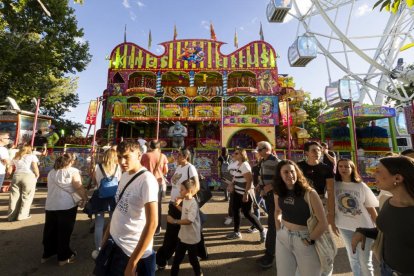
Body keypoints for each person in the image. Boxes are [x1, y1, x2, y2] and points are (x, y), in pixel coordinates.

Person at [95, 141, 158, 275]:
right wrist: (105, 238)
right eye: (118, 157)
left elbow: (152, 224)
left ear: (139, 155)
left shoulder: (147, 181)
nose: (122, 161)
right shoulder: (124, 175)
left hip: (131, 250)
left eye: (126, 157)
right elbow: (118, 209)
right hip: (114, 243)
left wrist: (133, 263)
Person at [352, 156, 414, 276]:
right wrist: (363, 231)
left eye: (378, 171)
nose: (374, 175)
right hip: (386, 268)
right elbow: (390, 231)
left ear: (397, 178)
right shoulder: (387, 201)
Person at [273, 160, 328, 276]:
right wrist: (279, 231)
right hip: (283, 238)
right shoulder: (278, 191)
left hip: (304, 239)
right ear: (280, 175)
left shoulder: (310, 193)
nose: (290, 175)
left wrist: (310, 239)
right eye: (285, 172)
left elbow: (323, 222)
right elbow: (277, 211)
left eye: (292, 171)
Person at [156, 148, 200, 270]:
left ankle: (161, 260)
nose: (176, 156)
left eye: (179, 155)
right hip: (174, 203)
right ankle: (199, 252)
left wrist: (181, 198)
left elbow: (196, 187)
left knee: (172, 233)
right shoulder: (179, 167)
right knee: (180, 231)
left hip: (182, 204)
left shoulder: (190, 168)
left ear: (185, 157)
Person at [42, 153, 88, 266]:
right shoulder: (73, 171)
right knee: (64, 232)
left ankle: (47, 253)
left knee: (50, 230)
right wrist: (85, 198)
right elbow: (78, 187)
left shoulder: (51, 172)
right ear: (70, 162)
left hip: (51, 205)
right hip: (66, 205)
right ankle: (63, 257)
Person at [334, 159, 378, 276]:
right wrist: (332, 223)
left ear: (352, 168)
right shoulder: (334, 185)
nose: (343, 169)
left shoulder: (361, 186)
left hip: (365, 229)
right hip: (345, 227)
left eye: (347, 166)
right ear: (337, 169)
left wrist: (379, 226)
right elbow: (331, 206)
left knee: (365, 262)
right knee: (353, 259)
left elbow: (370, 208)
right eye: (341, 166)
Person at [225, 147, 267, 242]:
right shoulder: (235, 164)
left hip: (244, 192)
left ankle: (262, 230)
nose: (233, 155)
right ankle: (236, 232)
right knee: (236, 211)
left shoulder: (245, 165)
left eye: (236, 153)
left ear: (241, 155)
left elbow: (249, 181)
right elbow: (235, 177)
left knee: (247, 213)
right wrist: (231, 184)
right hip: (236, 192)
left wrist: (246, 193)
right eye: (234, 153)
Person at [297, 142, 337, 233]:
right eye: (314, 150)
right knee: (303, 230)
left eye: (319, 150)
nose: (317, 152)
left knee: (321, 231)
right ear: (306, 153)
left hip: (320, 201)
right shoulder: (299, 166)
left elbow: (330, 191)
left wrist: (331, 213)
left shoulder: (326, 168)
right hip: (303, 200)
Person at [90, 149, 122, 260]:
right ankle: (114, 246)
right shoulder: (118, 167)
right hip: (113, 198)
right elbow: (120, 182)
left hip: (100, 197)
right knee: (114, 222)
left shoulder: (98, 167)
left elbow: (95, 182)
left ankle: (98, 249)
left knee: (99, 224)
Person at [168, 179, 202, 276]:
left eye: (182, 189)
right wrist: (177, 206)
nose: (180, 191)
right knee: (176, 260)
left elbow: (189, 221)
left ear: (189, 191)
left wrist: (174, 221)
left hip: (191, 238)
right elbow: (185, 211)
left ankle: (199, 273)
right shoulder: (186, 200)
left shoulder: (193, 204)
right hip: (183, 236)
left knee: (193, 260)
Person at [255, 141, 279, 268]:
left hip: (273, 196)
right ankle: (270, 251)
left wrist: (269, 187)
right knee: (272, 223)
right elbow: (262, 176)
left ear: (266, 150)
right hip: (267, 196)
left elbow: (282, 178)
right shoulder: (263, 161)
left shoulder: (276, 161)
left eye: (259, 150)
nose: (257, 153)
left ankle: (270, 255)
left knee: (272, 225)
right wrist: (260, 185)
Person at [141, 140, 169, 235]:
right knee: (158, 205)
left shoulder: (145, 156)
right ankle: (157, 227)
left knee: (146, 204)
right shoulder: (163, 156)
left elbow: (141, 168)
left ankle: (146, 225)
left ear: (150, 146)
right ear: (158, 147)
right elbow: (166, 170)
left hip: (147, 182)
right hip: (159, 182)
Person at [7, 144, 40, 221]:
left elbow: (10, 168)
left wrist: (8, 175)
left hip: (16, 176)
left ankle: (11, 216)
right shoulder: (32, 156)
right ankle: (22, 215)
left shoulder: (16, 156)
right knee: (27, 196)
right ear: (29, 149)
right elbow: (35, 167)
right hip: (28, 176)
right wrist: (37, 175)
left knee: (14, 197)